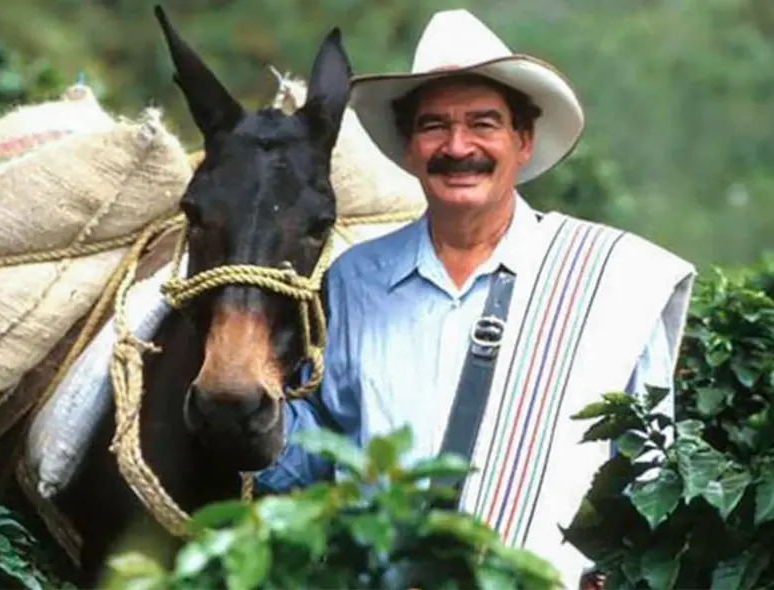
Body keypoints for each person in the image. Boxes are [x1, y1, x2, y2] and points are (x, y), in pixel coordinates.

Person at [254, 8, 696, 589]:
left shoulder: (614, 279)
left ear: (522, 140)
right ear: (410, 147)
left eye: (484, 124)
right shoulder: (353, 281)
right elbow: (316, 457)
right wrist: (247, 417)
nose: (458, 146)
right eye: (434, 126)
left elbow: (649, 472)